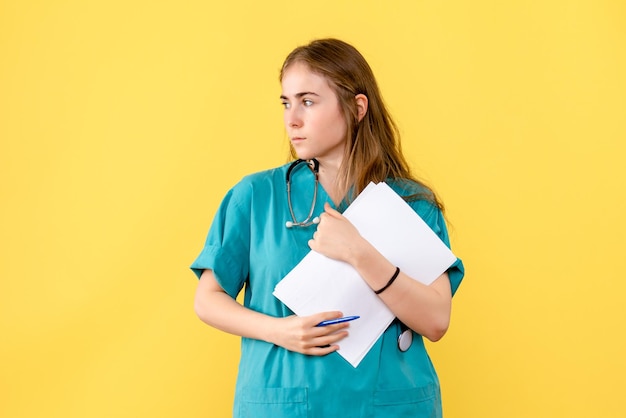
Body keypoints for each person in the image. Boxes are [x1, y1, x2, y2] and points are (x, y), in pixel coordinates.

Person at [191, 38, 465, 417]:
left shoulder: (411, 203)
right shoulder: (255, 197)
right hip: (284, 404)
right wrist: (279, 331)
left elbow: (436, 320)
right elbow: (207, 299)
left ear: (357, 107)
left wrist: (358, 251)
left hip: (388, 404)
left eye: (308, 101)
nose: (292, 119)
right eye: (286, 103)